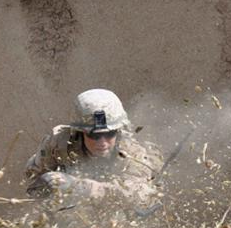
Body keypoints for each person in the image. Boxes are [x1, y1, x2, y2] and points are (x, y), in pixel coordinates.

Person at [26, 89, 162, 208]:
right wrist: (47, 185)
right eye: (94, 135)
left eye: (109, 134)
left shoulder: (132, 153)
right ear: (79, 132)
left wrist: (80, 187)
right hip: (69, 213)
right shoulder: (58, 142)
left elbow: (140, 197)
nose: (102, 142)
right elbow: (33, 178)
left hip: (116, 218)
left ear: (118, 131)